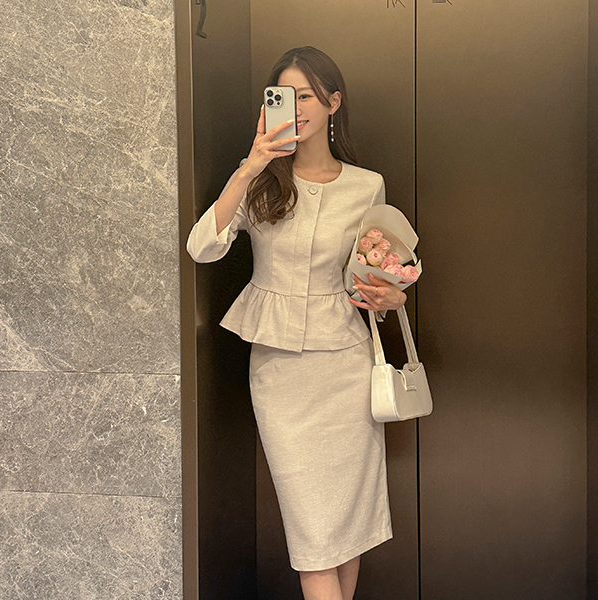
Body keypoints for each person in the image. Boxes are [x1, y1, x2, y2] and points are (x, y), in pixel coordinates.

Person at [187, 46, 407, 600]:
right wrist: (250, 165)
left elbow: (370, 274)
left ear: (333, 102)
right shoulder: (260, 180)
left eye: (307, 95)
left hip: (347, 368)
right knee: (313, 534)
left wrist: (390, 295)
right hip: (280, 373)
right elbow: (202, 248)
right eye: (284, 96)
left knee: (346, 529)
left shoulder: (367, 185)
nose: (297, 106)